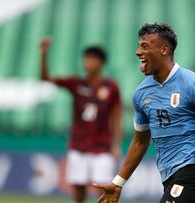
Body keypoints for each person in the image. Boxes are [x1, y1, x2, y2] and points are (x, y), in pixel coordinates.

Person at [93, 23, 195, 203]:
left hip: (194, 174)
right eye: (138, 46)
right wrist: (118, 182)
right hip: (169, 178)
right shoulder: (141, 94)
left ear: (164, 49)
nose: (137, 52)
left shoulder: (193, 84)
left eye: (144, 46)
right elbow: (140, 141)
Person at [39, 37, 122, 203]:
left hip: (102, 147)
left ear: (101, 63)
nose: (87, 62)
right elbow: (45, 78)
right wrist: (43, 54)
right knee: (78, 188)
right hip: (79, 145)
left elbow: (116, 117)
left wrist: (116, 144)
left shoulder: (111, 87)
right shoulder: (76, 83)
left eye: (92, 59)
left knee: (104, 188)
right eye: (86, 58)